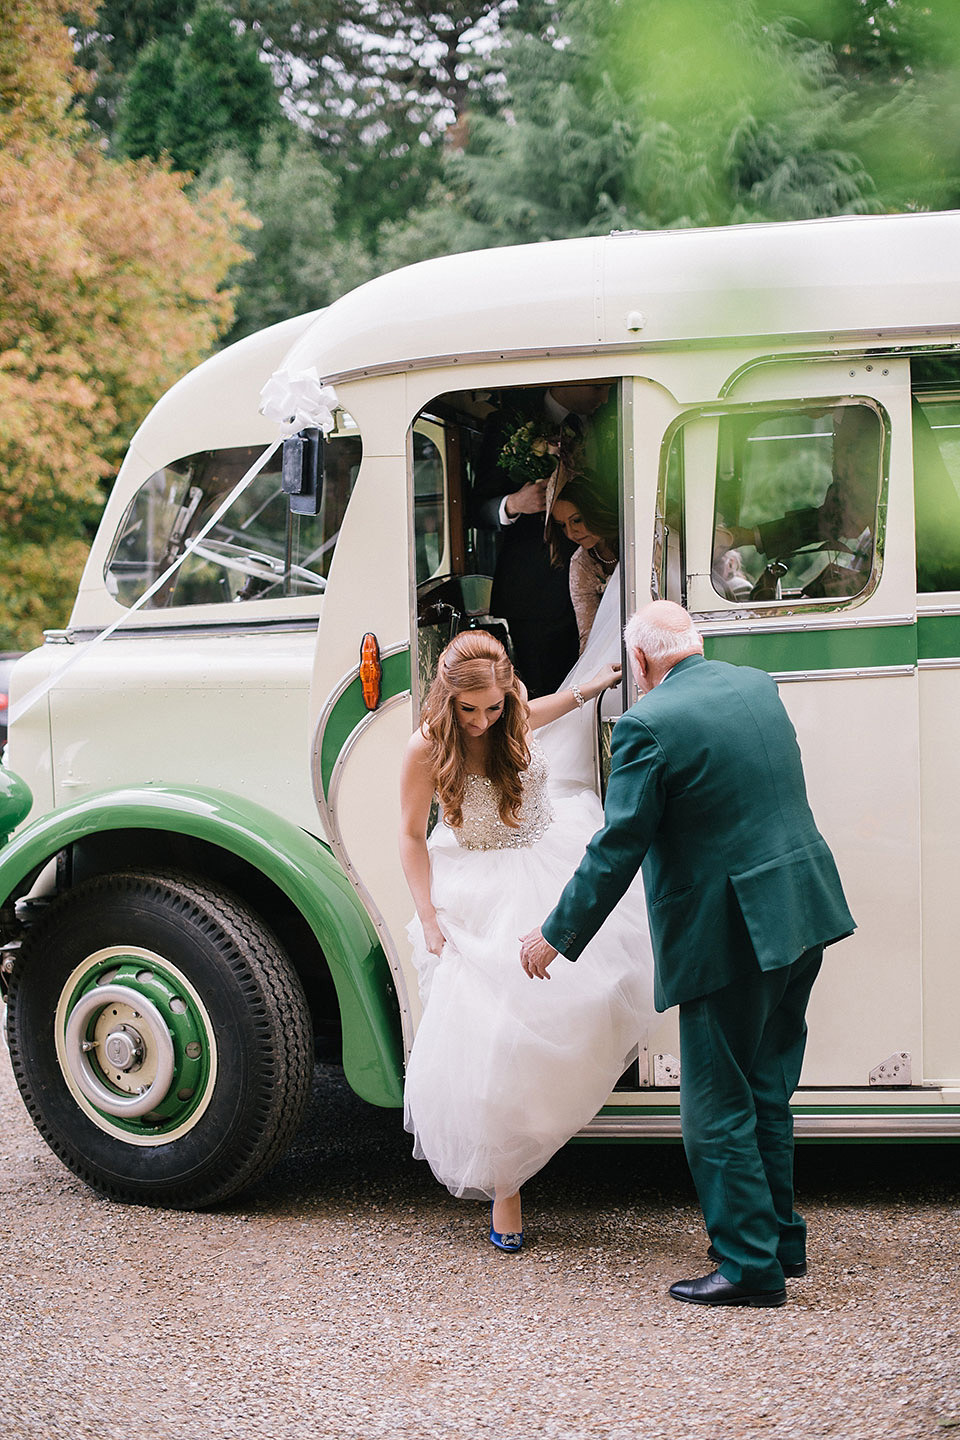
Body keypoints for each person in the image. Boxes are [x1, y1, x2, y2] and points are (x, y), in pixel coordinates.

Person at [520, 601, 855, 1307]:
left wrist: (556, 933)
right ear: (693, 646)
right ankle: (777, 1244)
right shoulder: (756, 686)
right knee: (766, 1088)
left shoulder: (648, 725)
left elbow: (619, 847)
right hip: (801, 911)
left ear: (639, 663)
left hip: (731, 933)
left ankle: (747, 1269)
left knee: (716, 1106)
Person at [399, 629, 653, 1251]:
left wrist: (586, 692)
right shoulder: (426, 747)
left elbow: (535, 711)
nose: (484, 721)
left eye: (495, 707)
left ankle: (559, 1125)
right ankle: (506, 1186)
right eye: (470, 710)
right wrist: (428, 915)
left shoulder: (511, 709)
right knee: (494, 1038)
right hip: (477, 888)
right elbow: (408, 834)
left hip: (546, 861)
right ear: (447, 699)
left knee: (591, 995)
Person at [473, 383, 614, 696]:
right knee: (546, 692)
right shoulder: (509, 424)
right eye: (598, 387)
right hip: (536, 594)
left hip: (607, 575)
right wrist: (514, 503)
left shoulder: (610, 419)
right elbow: (476, 508)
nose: (605, 396)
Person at [546, 473, 620, 653]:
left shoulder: (634, 545)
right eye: (562, 525)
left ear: (595, 510)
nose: (571, 533)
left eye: (576, 520)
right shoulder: (580, 563)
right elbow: (587, 633)